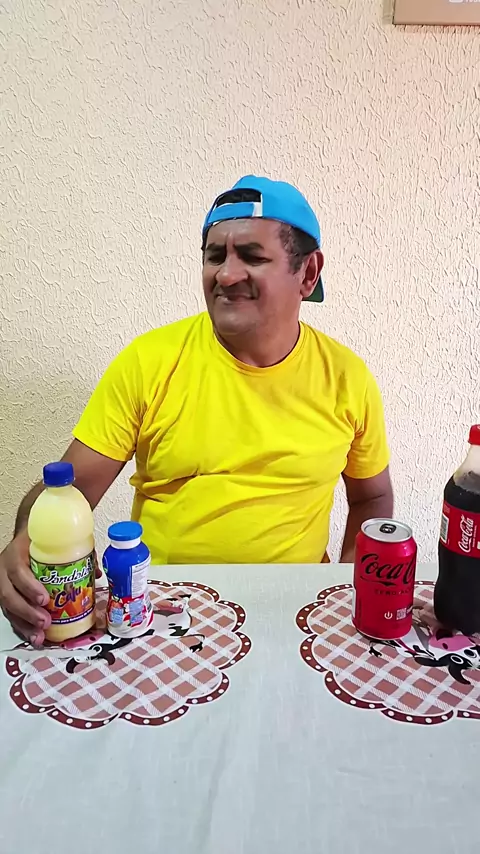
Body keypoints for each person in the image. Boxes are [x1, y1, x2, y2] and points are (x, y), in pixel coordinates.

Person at [0, 175, 393, 645]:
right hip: (162, 614)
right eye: (214, 255)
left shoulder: (347, 378)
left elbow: (372, 498)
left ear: (308, 273)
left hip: (294, 610)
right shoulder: (148, 362)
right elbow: (69, 489)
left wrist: (345, 585)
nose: (225, 275)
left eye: (252, 256)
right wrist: (24, 541)